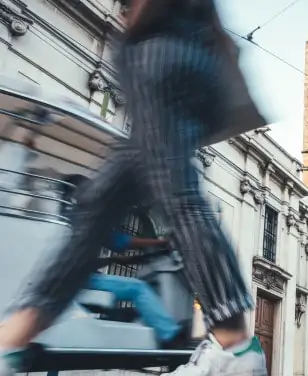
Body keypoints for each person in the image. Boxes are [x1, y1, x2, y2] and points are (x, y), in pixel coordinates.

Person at [0, 1, 266, 375]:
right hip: (184, 52)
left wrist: (135, 26)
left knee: (176, 194)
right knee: (102, 200)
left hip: (160, 48)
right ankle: (13, 338)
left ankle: (235, 346)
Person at [59, 174, 186, 349]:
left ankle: (132, 321)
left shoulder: (68, 220)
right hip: (81, 282)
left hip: (76, 279)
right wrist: (162, 242)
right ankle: (170, 335)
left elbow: (88, 257)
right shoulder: (84, 219)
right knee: (137, 288)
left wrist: (114, 259)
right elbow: (119, 241)